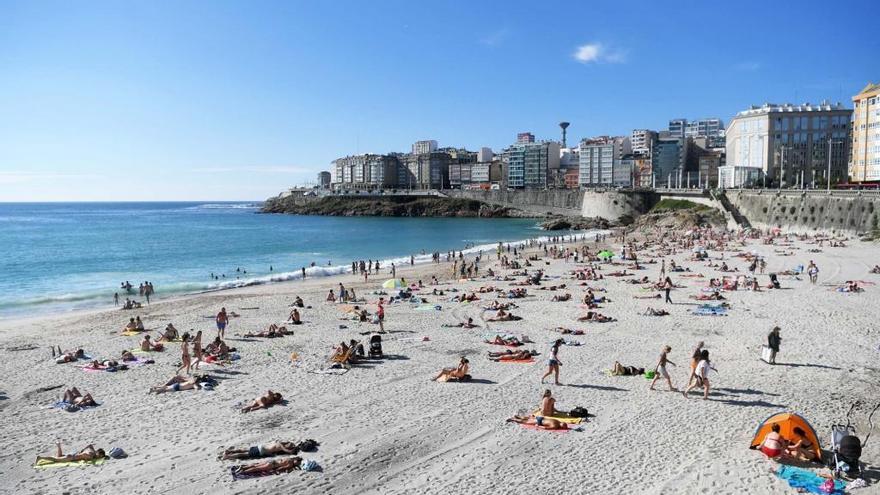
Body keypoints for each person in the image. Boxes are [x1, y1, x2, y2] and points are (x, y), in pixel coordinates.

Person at [36, 442, 106, 464]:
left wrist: (83, 450)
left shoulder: (92, 449)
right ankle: (41, 458)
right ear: (97, 452)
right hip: (71, 458)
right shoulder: (91, 455)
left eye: (100, 456)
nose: (99, 457)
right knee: (56, 459)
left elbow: (90, 445)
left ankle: (59, 446)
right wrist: (86, 459)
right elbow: (85, 455)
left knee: (59, 456)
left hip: (74, 453)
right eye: (100, 455)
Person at [221, 441, 299, 460]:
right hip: (261, 451)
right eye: (290, 445)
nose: (290, 446)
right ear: (287, 444)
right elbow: (289, 452)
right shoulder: (281, 446)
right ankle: (227, 456)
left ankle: (229, 451)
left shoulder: (278, 442)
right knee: (244, 454)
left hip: (260, 446)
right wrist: (292, 450)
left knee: (243, 450)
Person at [230, 457, 302, 477]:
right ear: (296, 460)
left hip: (271, 461)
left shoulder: (289, 458)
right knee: (257, 468)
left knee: (256, 465)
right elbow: (282, 468)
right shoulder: (291, 463)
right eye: (298, 462)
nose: (297, 463)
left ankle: (243, 467)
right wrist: (276, 470)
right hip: (272, 465)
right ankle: (243, 471)